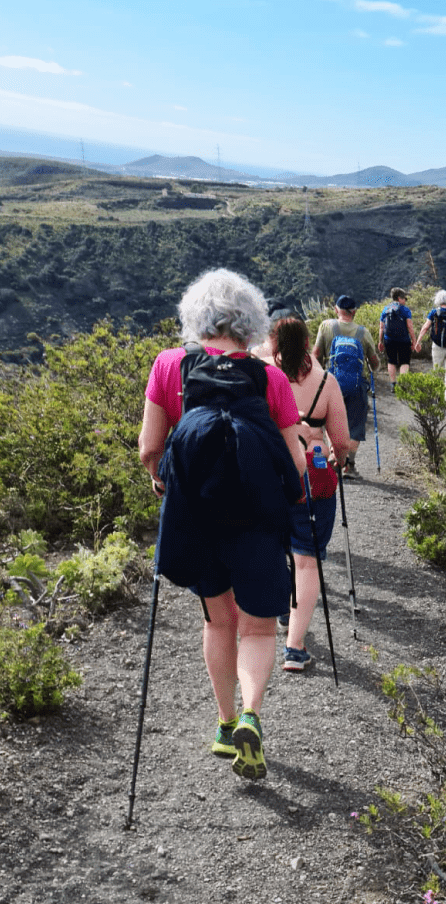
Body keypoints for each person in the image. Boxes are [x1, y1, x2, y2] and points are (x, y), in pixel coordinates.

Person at [138, 268, 308, 781]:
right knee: (257, 626)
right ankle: (253, 713)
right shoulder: (270, 377)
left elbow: (150, 448)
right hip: (256, 518)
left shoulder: (169, 366)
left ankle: (226, 722)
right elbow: (295, 464)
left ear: (196, 315)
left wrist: (161, 480)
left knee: (218, 620)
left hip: (198, 515)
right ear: (252, 322)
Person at [258, 314, 350, 672]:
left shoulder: (261, 373)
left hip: (265, 471)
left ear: (274, 343)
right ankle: (294, 647)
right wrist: (337, 459)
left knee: (274, 543)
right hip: (312, 474)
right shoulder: (326, 382)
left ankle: (281, 605)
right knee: (307, 559)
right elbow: (340, 441)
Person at [312, 295, 379, 480]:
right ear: (354, 312)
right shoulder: (363, 333)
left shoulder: (326, 326)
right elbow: (374, 363)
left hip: (330, 383)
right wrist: (373, 367)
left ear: (336, 310)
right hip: (356, 385)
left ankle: (334, 458)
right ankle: (349, 466)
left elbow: (316, 355)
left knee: (330, 421)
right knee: (355, 425)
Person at [414, 290, 446, 402]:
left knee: (437, 371)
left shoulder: (433, 312)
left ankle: (437, 397)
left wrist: (418, 341)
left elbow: (425, 327)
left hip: (437, 347)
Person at [378, 287, 415, 394]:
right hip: (404, 340)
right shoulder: (405, 310)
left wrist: (380, 341)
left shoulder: (386, 309)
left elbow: (381, 327)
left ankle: (393, 384)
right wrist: (414, 341)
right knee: (404, 362)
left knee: (391, 361)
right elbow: (410, 328)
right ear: (399, 298)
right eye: (405, 299)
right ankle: (403, 385)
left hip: (389, 340)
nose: (405, 301)